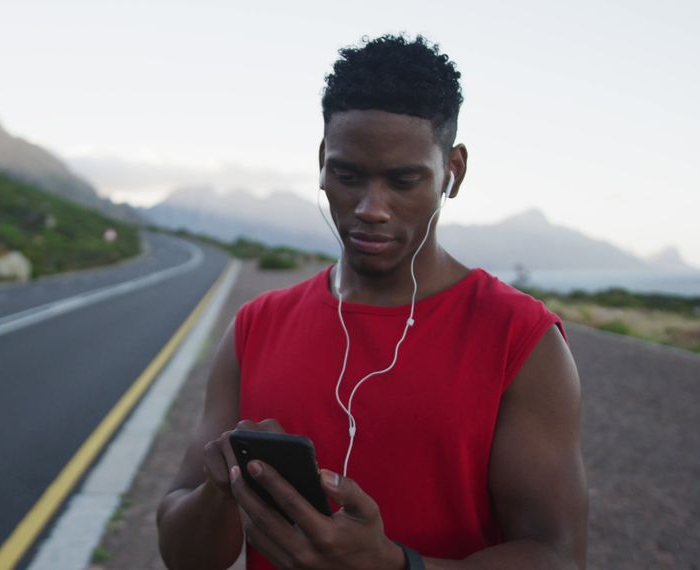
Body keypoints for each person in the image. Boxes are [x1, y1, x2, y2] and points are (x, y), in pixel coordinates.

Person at [157, 34, 587, 570]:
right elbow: (183, 555)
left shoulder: (521, 338)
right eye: (347, 174)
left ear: (453, 171)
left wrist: (396, 565)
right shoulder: (255, 326)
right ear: (321, 162)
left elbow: (558, 555)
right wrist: (221, 488)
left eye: (404, 180)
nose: (371, 208)